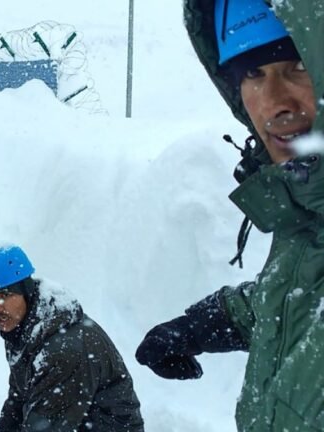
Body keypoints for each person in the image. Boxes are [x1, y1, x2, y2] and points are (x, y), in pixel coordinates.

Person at [135, 0, 323, 430]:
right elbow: (299, 295)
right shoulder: (307, 210)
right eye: (253, 73)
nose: (273, 103)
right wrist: (204, 325)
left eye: (297, 65)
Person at [0, 244, 145, 431]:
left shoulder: (63, 349)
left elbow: (45, 426)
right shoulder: (23, 328)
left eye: (4, 295)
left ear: (26, 291)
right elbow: (19, 399)